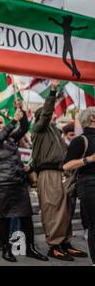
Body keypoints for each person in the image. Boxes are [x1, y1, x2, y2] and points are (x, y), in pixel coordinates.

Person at [0, 106, 48, 263]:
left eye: (0, 122)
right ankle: (6, 249)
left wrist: (22, 112)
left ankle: (30, 248)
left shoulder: (11, 137)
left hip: (18, 183)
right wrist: (13, 120)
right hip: (1, 185)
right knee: (4, 219)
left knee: (26, 217)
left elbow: (25, 127)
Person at [32, 80, 87, 261]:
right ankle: (54, 245)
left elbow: (67, 152)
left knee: (66, 210)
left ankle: (65, 243)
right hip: (48, 174)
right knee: (53, 210)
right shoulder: (39, 130)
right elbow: (46, 113)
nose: (52, 117)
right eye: (47, 116)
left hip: (62, 173)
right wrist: (53, 91)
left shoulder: (55, 132)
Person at [63, 107, 95, 266]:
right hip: (89, 183)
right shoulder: (80, 140)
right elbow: (66, 166)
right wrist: (88, 159)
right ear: (92, 118)